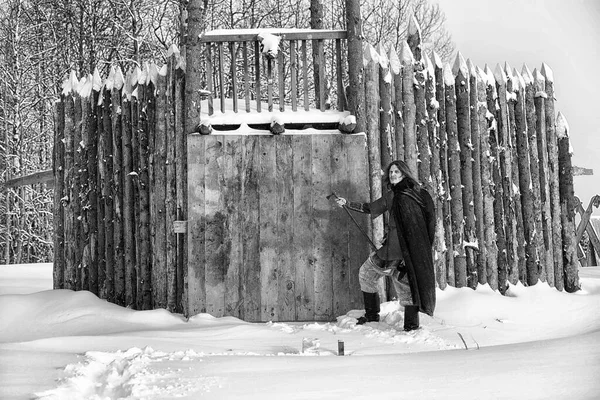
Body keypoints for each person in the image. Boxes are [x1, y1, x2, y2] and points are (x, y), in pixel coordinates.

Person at [334, 160, 436, 330]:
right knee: (384, 280)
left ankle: (393, 322)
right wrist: (348, 204)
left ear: (404, 173)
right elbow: (371, 207)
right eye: (391, 172)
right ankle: (393, 321)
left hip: (399, 253)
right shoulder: (399, 195)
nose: (393, 175)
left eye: (397, 172)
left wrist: (407, 252)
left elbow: (424, 226)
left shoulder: (410, 195)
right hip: (399, 252)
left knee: (383, 281)